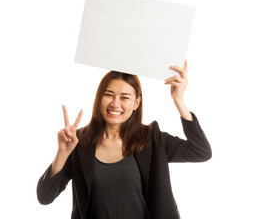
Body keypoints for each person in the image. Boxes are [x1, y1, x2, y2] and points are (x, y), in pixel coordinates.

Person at [37, 61, 212, 219]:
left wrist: (179, 102)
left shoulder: (152, 139)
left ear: (136, 103)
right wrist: (62, 153)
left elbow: (201, 152)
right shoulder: (78, 142)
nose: (115, 103)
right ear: (99, 98)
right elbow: (45, 197)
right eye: (109, 94)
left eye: (125, 97)